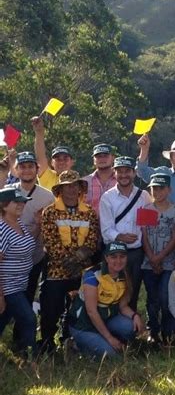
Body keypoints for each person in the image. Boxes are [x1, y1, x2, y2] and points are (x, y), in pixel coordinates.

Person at [40, 170, 100, 352]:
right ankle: (47, 342)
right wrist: (68, 261)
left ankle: (70, 341)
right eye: (67, 186)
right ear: (60, 190)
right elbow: (50, 241)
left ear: (80, 188)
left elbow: (92, 240)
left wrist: (78, 260)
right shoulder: (50, 212)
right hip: (56, 270)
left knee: (77, 309)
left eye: (75, 185)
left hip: (81, 271)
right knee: (51, 308)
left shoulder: (89, 212)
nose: (71, 189)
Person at [68, 241, 145, 358]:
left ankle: (111, 342)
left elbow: (122, 306)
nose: (118, 261)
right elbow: (91, 312)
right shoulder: (92, 275)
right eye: (113, 257)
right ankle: (76, 346)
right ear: (106, 258)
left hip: (106, 319)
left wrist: (135, 316)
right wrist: (110, 338)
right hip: (84, 325)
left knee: (130, 327)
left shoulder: (124, 275)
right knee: (111, 356)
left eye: (122, 256)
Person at [99, 156, 152, 311]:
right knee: (112, 291)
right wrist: (120, 237)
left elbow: (148, 226)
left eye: (127, 171)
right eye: (120, 171)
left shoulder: (144, 196)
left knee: (133, 291)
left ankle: (131, 327)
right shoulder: (107, 198)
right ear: (114, 173)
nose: (123, 175)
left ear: (134, 173)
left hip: (136, 252)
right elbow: (106, 229)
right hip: (115, 253)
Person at [10, 152, 54, 305]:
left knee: (28, 295)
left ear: (37, 169)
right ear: (16, 170)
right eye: (22, 167)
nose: (27, 170)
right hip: (8, 257)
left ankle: (22, 327)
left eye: (30, 166)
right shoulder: (7, 192)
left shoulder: (48, 197)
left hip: (34, 256)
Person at [141, 173, 175, 342]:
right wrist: (152, 257)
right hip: (148, 262)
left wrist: (160, 258)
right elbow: (144, 235)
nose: (157, 192)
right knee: (152, 299)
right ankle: (153, 330)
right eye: (153, 188)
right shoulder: (146, 210)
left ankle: (167, 329)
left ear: (169, 189)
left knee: (165, 297)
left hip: (168, 262)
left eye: (161, 188)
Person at [0, 187, 37, 357]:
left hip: (20, 284)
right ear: (4, 205)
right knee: (29, 319)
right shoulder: (2, 229)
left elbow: (26, 243)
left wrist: (39, 225)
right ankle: (28, 358)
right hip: (8, 286)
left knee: (2, 320)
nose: (21, 205)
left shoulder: (19, 222)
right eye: (17, 202)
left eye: (23, 202)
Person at [31, 115, 75, 190]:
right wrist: (39, 132)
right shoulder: (48, 177)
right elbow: (40, 156)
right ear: (52, 163)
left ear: (72, 162)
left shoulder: (78, 181)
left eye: (65, 159)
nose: (61, 162)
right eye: (58, 159)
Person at [83, 143, 117, 216]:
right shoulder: (84, 182)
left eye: (105, 156)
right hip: (90, 226)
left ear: (113, 158)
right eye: (98, 156)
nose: (102, 159)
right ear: (94, 160)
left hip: (116, 226)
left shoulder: (121, 181)